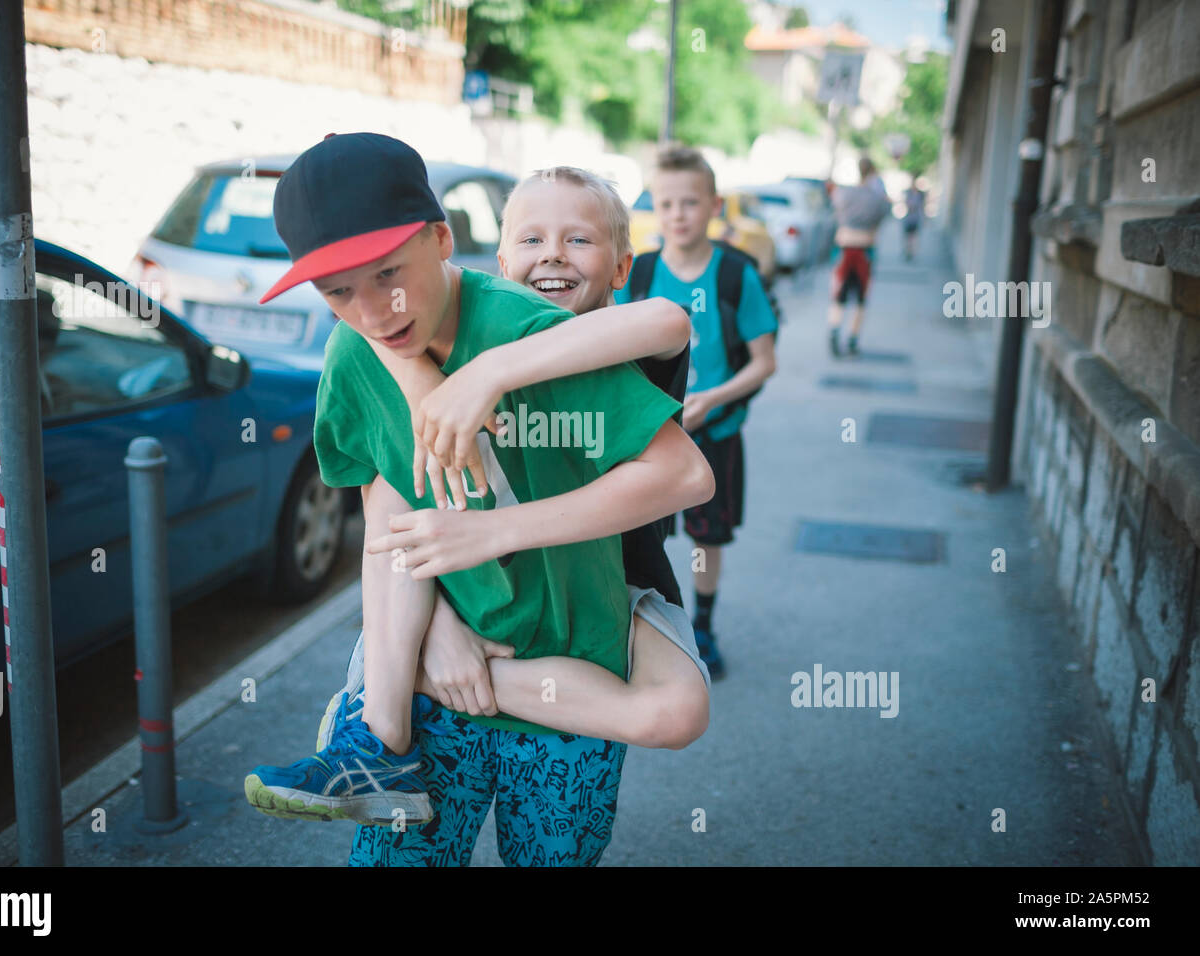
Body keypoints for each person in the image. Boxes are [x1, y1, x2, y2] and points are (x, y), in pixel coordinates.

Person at [244, 133, 713, 867]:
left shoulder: (537, 335)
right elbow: (386, 518)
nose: (371, 311)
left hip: (569, 674)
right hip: (430, 688)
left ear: (441, 239)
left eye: (388, 274)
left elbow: (685, 467)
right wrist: (429, 642)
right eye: (337, 290)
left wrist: (492, 532)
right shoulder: (357, 351)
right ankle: (374, 740)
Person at [613, 145, 778, 680]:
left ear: (713, 205)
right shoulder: (637, 275)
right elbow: (609, 349)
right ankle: (648, 627)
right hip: (650, 437)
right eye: (666, 203)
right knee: (642, 535)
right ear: (654, 210)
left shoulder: (735, 275)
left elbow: (763, 362)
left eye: (690, 202)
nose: (678, 214)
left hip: (717, 435)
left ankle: (703, 626)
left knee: (708, 537)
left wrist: (712, 399)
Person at [827, 156, 891, 357]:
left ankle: (834, 331)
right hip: (865, 249)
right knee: (861, 299)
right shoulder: (875, 198)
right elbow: (884, 214)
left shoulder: (843, 194)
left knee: (838, 295)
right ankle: (853, 338)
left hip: (844, 248)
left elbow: (835, 212)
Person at [902, 178, 925, 261]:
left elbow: (921, 207)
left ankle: (912, 251)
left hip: (915, 219)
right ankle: (908, 251)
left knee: (914, 236)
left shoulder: (920, 195)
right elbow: (907, 204)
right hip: (908, 219)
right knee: (908, 237)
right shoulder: (909, 194)